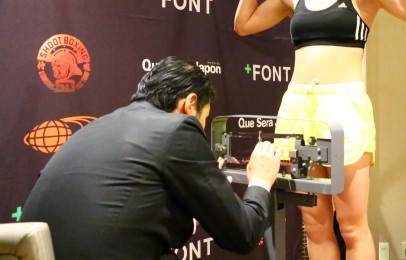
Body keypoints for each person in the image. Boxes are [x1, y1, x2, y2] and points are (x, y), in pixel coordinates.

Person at [234, 0, 406, 259]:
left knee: (352, 226)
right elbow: (244, 24)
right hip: (298, 112)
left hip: (344, 112)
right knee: (314, 226)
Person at [21, 56, 283, 259]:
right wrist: (260, 181)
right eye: (203, 120)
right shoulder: (179, 128)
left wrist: (204, 188)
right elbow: (242, 235)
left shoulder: (96, 126)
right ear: (190, 103)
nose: (200, 129)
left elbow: (132, 207)